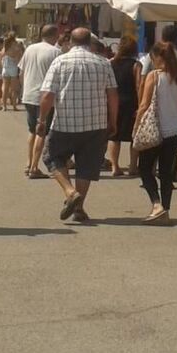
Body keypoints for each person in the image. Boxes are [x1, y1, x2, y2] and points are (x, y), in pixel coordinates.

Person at [38, 28, 117, 222]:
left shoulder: (60, 61)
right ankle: (79, 208)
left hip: (65, 123)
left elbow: (48, 95)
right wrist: (113, 121)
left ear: (71, 42)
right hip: (95, 124)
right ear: (90, 42)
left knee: (52, 157)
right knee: (86, 165)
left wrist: (42, 119)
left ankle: (70, 192)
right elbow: (113, 95)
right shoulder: (103, 63)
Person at [135, 41, 177, 223]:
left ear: (157, 58)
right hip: (175, 130)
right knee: (166, 173)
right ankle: (165, 210)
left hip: (155, 129)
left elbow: (144, 104)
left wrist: (136, 125)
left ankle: (156, 204)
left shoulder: (154, 76)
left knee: (145, 168)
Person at [20, 24, 62, 178]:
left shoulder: (30, 49)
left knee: (32, 130)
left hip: (29, 94)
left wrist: (23, 88)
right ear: (54, 35)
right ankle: (34, 167)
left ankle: (28, 162)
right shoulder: (55, 52)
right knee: (41, 131)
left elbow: (21, 71)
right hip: (44, 96)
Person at [140, 24, 177, 119]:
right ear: (176, 39)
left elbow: (142, 82)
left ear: (162, 37)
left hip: (153, 109)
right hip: (176, 109)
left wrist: (140, 105)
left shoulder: (152, 56)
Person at [109, 35, 142, 177]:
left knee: (114, 137)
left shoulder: (110, 63)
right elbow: (139, 86)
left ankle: (114, 167)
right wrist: (141, 106)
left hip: (114, 102)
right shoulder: (136, 65)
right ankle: (133, 167)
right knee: (134, 136)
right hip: (131, 103)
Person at [1, 32, 25, 110]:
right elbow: (19, 59)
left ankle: (4, 106)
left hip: (5, 68)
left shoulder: (5, 46)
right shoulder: (16, 46)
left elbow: (1, 56)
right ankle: (14, 106)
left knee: (5, 88)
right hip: (13, 68)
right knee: (14, 89)